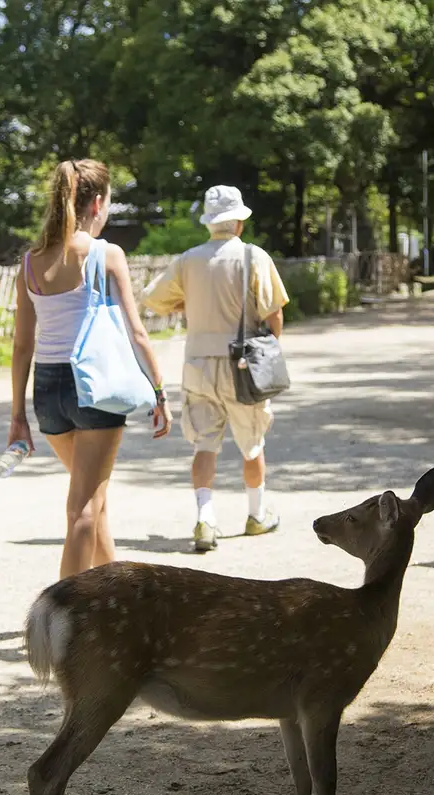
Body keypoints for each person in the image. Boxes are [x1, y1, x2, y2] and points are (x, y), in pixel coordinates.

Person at [8, 159, 171, 578]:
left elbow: (22, 345)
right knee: (83, 508)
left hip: (48, 392)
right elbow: (136, 333)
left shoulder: (30, 262)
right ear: (97, 203)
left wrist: (17, 417)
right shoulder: (106, 253)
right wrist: (159, 392)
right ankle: (63, 621)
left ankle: (116, 595)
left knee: (95, 500)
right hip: (94, 389)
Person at [142, 185, 291, 553]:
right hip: (242, 365)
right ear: (239, 222)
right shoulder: (255, 257)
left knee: (204, 445)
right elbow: (274, 314)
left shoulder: (188, 260)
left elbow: (152, 298)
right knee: (252, 443)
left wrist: (186, 306)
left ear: (209, 223)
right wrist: (269, 348)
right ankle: (256, 515)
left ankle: (205, 519)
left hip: (197, 364)